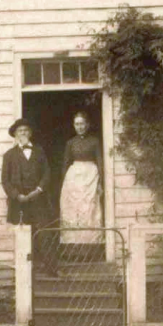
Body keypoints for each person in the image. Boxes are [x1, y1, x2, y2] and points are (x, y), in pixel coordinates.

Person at [0, 118, 58, 277]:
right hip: (19, 203)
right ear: (15, 135)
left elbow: (47, 173)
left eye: (26, 130)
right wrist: (17, 195)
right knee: (23, 235)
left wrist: (38, 190)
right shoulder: (9, 156)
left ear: (30, 133)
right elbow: (5, 181)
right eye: (20, 131)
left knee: (44, 232)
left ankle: (50, 269)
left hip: (38, 200)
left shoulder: (39, 152)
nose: (23, 133)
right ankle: (25, 272)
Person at [59, 111, 104, 263]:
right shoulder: (70, 143)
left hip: (90, 176)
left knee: (89, 211)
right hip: (74, 179)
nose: (80, 127)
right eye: (77, 124)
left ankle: (91, 252)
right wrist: (65, 184)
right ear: (74, 126)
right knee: (73, 212)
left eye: (82, 123)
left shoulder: (94, 141)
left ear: (87, 125)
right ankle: (73, 251)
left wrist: (100, 182)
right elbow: (65, 163)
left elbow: (99, 161)